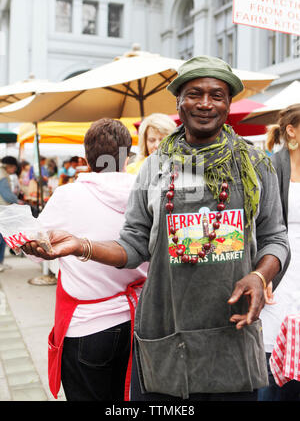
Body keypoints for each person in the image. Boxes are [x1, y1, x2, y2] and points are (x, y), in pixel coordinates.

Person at [22, 56, 289, 401]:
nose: (205, 103)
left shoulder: (255, 164)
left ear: (228, 103)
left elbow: (275, 238)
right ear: (178, 100)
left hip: (231, 334)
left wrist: (261, 275)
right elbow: (133, 244)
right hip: (166, 336)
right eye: (194, 93)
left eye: (217, 95)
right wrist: (80, 246)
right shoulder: (153, 169)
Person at [23, 119, 148, 401]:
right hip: (141, 323)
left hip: (88, 326)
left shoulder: (68, 195)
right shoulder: (147, 193)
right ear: (127, 155)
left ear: (86, 155)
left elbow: (37, 246)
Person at [258, 104, 300, 401]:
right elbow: (259, 227)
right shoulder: (271, 167)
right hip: (280, 264)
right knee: (272, 347)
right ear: (292, 130)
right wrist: (264, 273)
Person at [0, 156, 23, 271]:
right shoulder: (3, 175)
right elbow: (6, 194)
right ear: (9, 166)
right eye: (14, 167)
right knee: (1, 238)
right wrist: (17, 201)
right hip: (2, 209)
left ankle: (1, 263)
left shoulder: (2, 172)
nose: (14, 170)